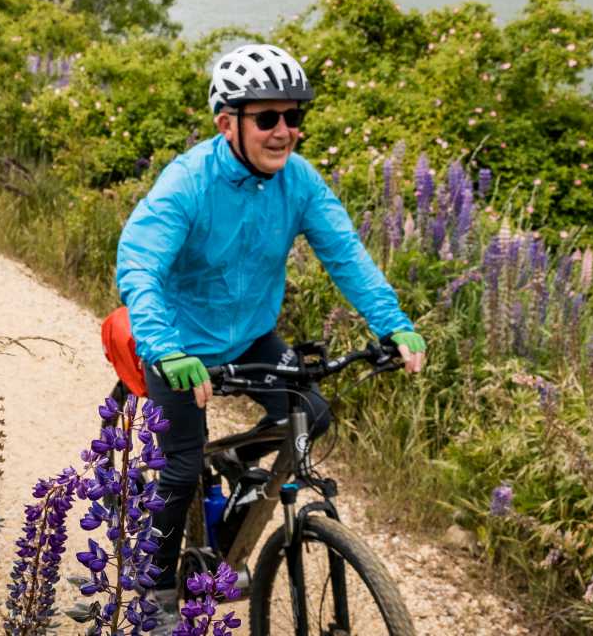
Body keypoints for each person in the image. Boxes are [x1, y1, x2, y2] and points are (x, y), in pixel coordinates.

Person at [112, 42, 426, 623]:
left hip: (251, 337)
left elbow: (346, 256)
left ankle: (235, 502)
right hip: (175, 342)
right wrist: (165, 347)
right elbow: (137, 264)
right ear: (226, 123)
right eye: (267, 118)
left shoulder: (299, 182)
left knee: (313, 413)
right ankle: (154, 596)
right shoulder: (188, 182)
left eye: (293, 117)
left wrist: (394, 324)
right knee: (180, 468)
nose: (283, 131)